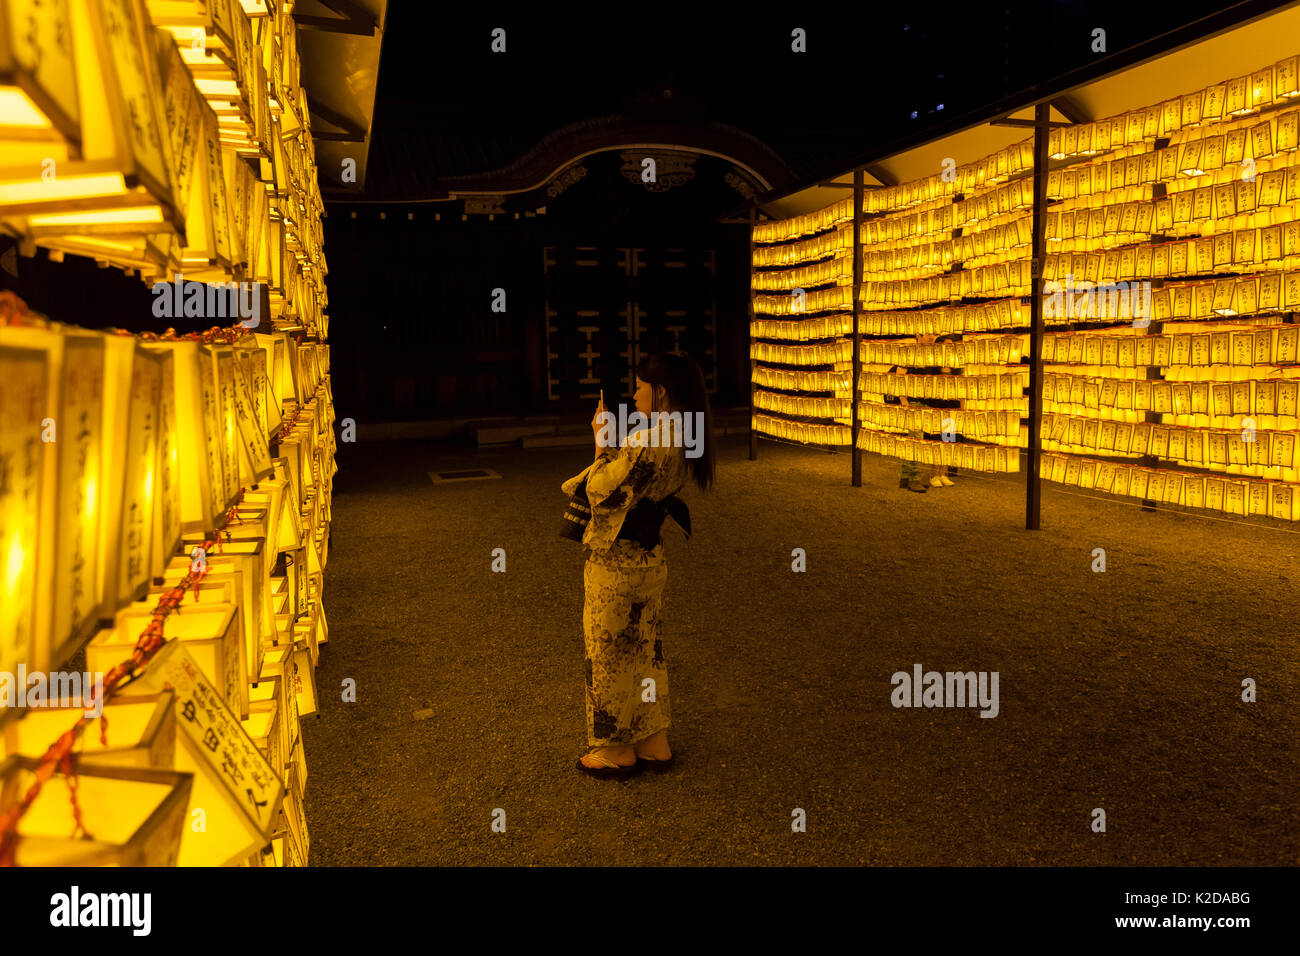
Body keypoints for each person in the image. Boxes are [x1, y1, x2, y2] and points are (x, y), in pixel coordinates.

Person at [560, 352, 714, 777]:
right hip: (648, 557)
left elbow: (603, 490)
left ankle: (615, 748)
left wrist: (601, 442)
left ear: (660, 392)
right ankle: (652, 739)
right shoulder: (688, 432)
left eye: (641, 386)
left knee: (609, 651)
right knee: (645, 650)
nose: (634, 394)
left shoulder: (650, 438)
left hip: (618, 561)